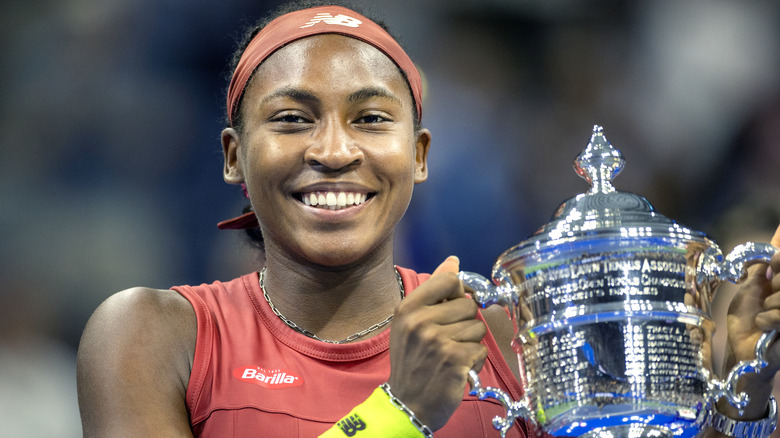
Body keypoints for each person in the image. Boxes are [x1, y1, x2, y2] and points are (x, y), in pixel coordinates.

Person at [76, 1, 780, 437]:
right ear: (234, 156)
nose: (332, 150)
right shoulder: (152, 336)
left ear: (418, 156)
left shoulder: (511, 336)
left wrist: (739, 390)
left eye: (371, 119)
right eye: (291, 119)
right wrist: (399, 412)